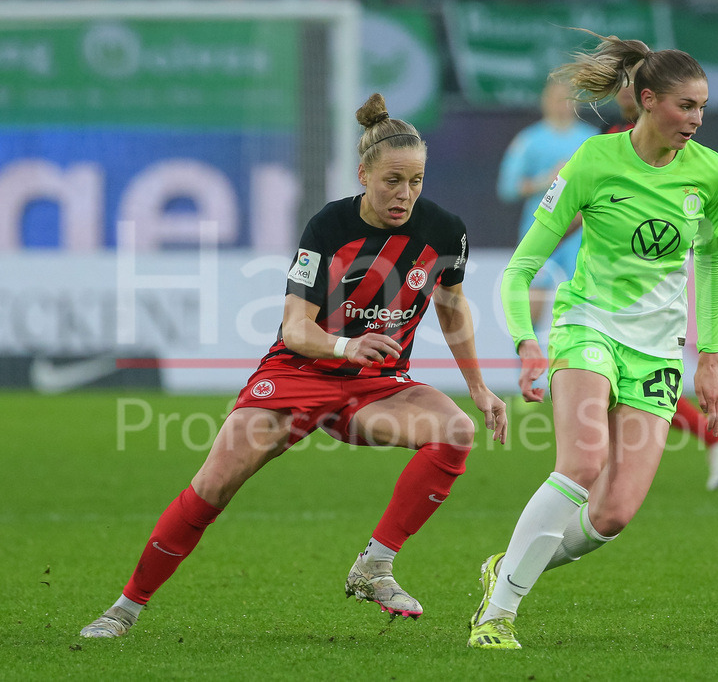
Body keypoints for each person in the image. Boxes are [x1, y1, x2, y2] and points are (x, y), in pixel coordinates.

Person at [80, 93, 508, 638]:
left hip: (377, 386)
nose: (405, 194)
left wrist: (479, 387)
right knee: (214, 484)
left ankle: (375, 566)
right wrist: (346, 347)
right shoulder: (329, 226)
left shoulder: (446, 232)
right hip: (299, 374)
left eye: (416, 181)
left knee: (456, 431)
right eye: (392, 181)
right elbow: (296, 331)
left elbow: (452, 306)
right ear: (363, 175)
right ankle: (124, 609)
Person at [468, 31, 718, 650]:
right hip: (588, 325)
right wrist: (526, 343)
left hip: (658, 349)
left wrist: (710, 356)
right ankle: (497, 616)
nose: (696, 120)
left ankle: (506, 568)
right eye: (685, 106)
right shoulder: (592, 161)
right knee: (583, 464)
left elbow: (711, 261)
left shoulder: (712, 173)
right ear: (647, 100)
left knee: (613, 514)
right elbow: (520, 267)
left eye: (702, 107)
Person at [603, 62, 718, 492]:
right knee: (610, 385)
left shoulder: (682, 152)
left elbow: (713, 209)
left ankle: (597, 484)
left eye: (633, 83)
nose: (626, 91)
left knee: (620, 382)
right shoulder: (612, 142)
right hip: (600, 276)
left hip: (639, 286)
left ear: (649, 94)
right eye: (623, 84)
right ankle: (713, 437)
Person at [496, 79, 598, 328]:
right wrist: (548, 180)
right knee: (532, 310)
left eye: (567, 99)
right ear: (545, 102)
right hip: (541, 230)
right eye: (556, 98)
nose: (562, 105)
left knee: (581, 311)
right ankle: (527, 352)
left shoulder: (592, 140)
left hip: (581, 237)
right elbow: (507, 187)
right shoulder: (530, 140)